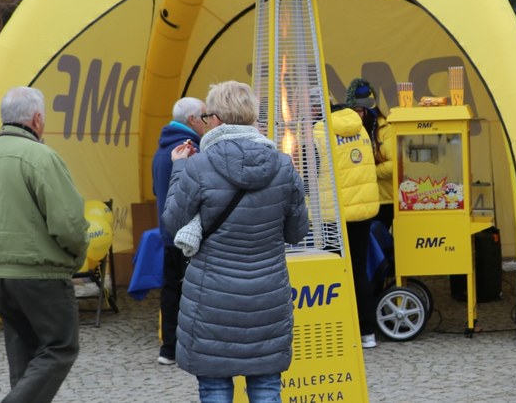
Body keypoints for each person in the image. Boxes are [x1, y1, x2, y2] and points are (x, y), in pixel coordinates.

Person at [164, 81, 309, 403]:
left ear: (214, 119)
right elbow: (297, 233)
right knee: (266, 387)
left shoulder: (198, 166)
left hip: (210, 297)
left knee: (215, 387)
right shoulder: (283, 166)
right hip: (267, 296)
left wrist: (178, 169)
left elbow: (172, 225)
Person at [0, 86, 88, 403]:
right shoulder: (42, 157)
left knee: (24, 358)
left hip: (2, 278)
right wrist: (76, 257)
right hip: (41, 276)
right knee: (60, 347)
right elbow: (70, 223)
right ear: (37, 119)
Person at [314, 98, 381, 348]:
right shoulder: (360, 127)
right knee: (359, 271)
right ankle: (368, 333)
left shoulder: (319, 131)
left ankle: (339, 331)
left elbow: (311, 171)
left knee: (333, 272)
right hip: (363, 211)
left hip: (333, 214)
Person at [151, 96, 208, 366]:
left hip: (167, 232)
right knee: (194, 291)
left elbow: (156, 192)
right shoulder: (191, 150)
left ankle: (168, 348)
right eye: (205, 117)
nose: (207, 122)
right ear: (192, 120)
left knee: (170, 290)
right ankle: (194, 347)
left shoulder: (160, 150)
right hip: (189, 234)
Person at [347, 78, 395, 226]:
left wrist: (368, 172)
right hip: (360, 202)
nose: (357, 115)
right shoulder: (350, 131)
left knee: (382, 244)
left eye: (360, 111)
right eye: (354, 111)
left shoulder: (387, 130)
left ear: (370, 110)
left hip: (385, 200)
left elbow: (395, 165)